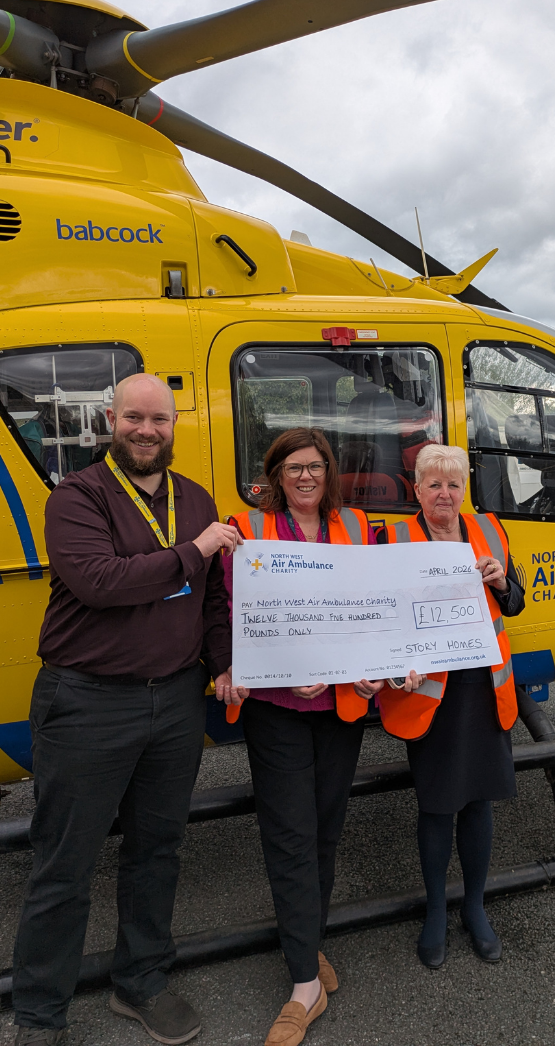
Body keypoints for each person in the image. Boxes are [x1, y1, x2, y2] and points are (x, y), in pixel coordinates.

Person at [8, 372, 241, 1046]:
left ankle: (140, 982)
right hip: (88, 701)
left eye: (159, 420)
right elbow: (100, 582)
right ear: (111, 420)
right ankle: (40, 1016)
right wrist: (193, 550)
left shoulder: (195, 498)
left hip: (175, 699)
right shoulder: (77, 496)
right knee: (65, 863)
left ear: (174, 425)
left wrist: (224, 662)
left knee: (157, 851)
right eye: (134, 418)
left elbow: (213, 598)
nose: (147, 430)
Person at [214, 427, 378, 1046]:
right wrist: (255, 669)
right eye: (293, 468)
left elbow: (373, 610)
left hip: (340, 705)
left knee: (325, 832)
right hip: (275, 708)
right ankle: (305, 984)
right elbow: (228, 610)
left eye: (315, 467)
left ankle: (308, 943)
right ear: (275, 476)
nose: (305, 477)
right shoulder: (247, 529)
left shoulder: (356, 527)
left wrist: (368, 668)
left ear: (328, 472)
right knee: (289, 835)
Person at [378, 443, 522, 969]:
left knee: (479, 801)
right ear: (416, 489)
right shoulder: (391, 538)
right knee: (438, 806)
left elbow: (515, 602)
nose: (445, 493)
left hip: (483, 689)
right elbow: (377, 613)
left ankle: (475, 907)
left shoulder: (489, 531)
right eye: (434, 484)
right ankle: (437, 910)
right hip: (431, 695)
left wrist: (501, 581)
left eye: (454, 484)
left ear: (465, 490)